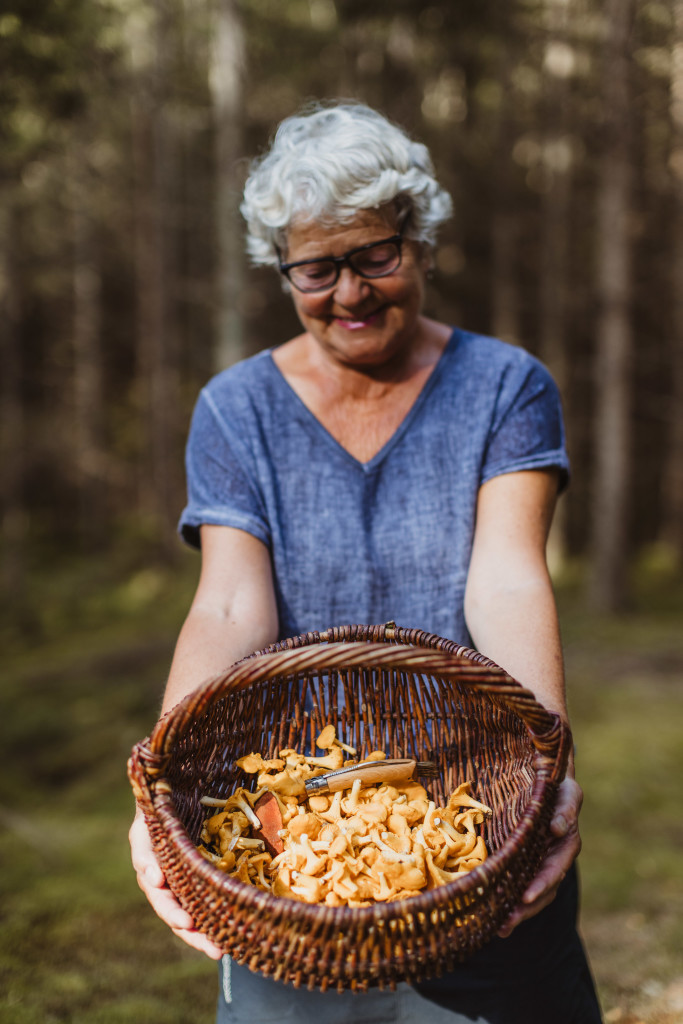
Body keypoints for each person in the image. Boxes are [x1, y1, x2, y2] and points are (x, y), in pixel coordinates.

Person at [130, 101, 602, 1024]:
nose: (348, 294)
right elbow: (230, 607)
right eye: (316, 268)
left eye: (374, 256)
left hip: (470, 811)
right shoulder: (236, 411)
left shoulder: (505, 386)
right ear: (283, 273)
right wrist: (164, 790)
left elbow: (506, 576)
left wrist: (539, 774)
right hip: (293, 822)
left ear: (419, 242)